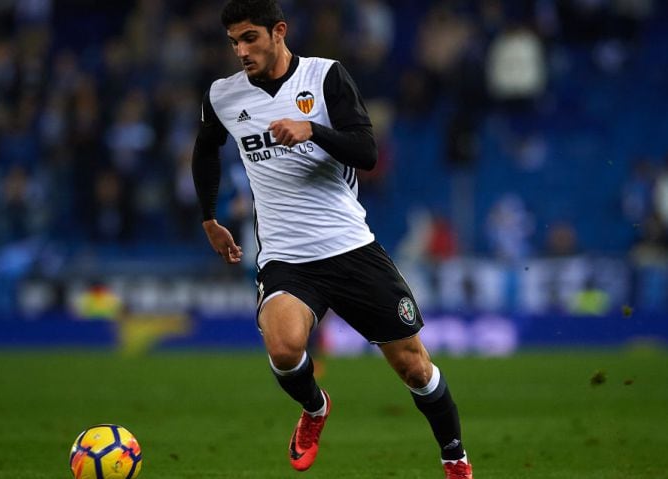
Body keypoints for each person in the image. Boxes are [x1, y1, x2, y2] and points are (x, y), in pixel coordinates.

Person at [191, 1, 473, 477]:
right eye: (234, 41)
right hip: (285, 258)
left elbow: (366, 151)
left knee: (414, 368)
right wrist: (209, 218)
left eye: (250, 38)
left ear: (278, 31)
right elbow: (205, 152)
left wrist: (312, 130)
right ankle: (316, 408)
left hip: (350, 249)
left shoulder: (325, 78)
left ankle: (454, 458)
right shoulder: (223, 95)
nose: (241, 50)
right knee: (284, 349)